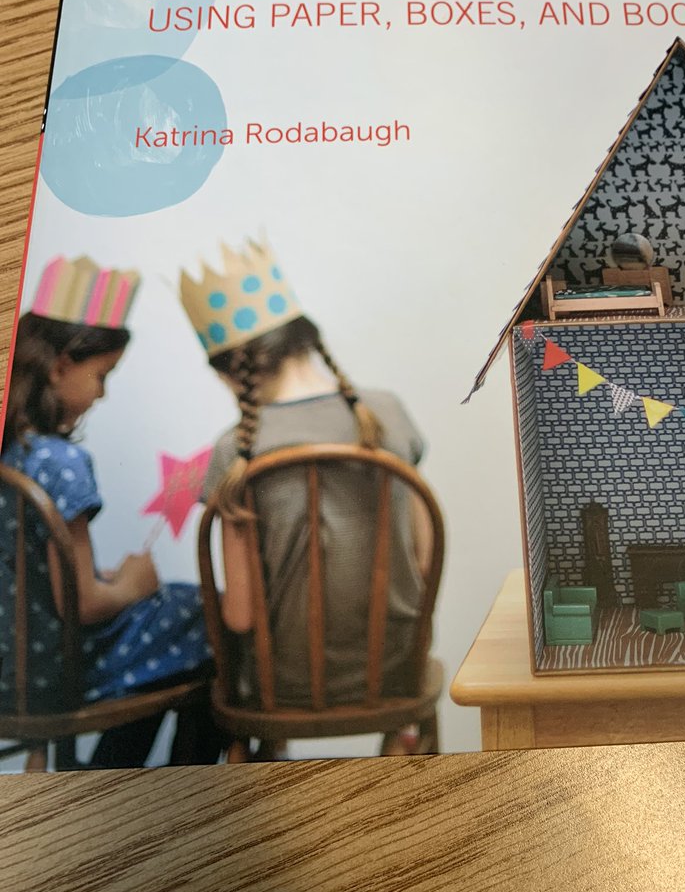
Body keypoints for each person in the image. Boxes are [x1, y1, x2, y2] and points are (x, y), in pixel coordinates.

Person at [181, 239, 434, 754]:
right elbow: (424, 561)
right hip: (393, 671)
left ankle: (271, 762)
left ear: (230, 374)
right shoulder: (385, 412)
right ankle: (399, 744)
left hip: (282, 686)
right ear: (307, 338)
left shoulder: (236, 450)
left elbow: (240, 616)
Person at [0, 255, 222, 768]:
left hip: (11, 666)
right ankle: (163, 785)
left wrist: (107, 581)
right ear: (60, 366)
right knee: (205, 614)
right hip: (56, 673)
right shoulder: (61, 462)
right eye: (102, 375)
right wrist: (131, 585)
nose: (102, 392)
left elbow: (34, 578)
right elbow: (82, 605)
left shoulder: (13, 454)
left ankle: (112, 774)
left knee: (166, 635)